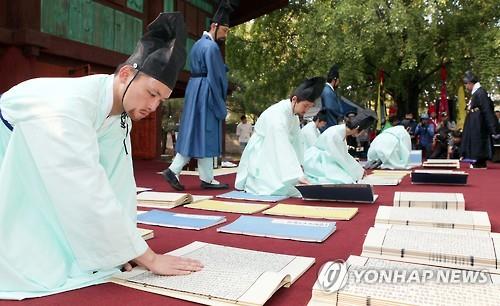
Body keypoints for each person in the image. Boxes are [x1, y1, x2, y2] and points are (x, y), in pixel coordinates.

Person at [0, 13, 203, 300]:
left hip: (48, 157)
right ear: (125, 75)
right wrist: (150, 259)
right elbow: (85, 190)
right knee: (38, 258)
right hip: (8, 147)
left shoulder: (120, 114)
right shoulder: (69, 109)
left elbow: (117, 182)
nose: (154, 106)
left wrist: (124, 247)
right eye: (151, 93)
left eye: (161, 100)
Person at [162, 0, 238, 190]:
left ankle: (203, 177)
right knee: (207, 132)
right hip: (206, 92)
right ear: (215, 26)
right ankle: (179, 171)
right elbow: (216, 76)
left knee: (195, 132)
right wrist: (220, 102)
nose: (225, 35)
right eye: (225, 30)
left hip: (195, 89)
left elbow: (205, 68)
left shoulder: (198, 44)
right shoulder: (212, 48)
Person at [235, 77, 325, 196]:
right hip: (262, 151)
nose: (307, 109)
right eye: (305, 105)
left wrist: (300, 165)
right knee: (271, 187)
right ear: (294, 99)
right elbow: (282, 144)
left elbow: (297, 142)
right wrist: (296, 174)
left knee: (291, 186)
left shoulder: (294, 116)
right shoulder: (277, 115)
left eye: (310, 106)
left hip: (276, 150)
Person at [303, 110, 376, 184]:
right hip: (317, 162)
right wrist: (359, 171)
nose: (362, 133)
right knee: (345, 180)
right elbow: (340, 157)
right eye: (363, 130)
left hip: (326, 159)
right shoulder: (336, 134)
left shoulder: (340, 131)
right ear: (357, 128)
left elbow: (343, 155)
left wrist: (359, 170)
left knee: (347, 177)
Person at [460, 71, 499, 168]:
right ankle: (475, 160)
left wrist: (493, 128)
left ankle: (479, 162)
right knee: (473, 141)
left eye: (466, 84)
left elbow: (487, 110)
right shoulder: (476, 93)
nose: (466, 87)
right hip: (474, 122)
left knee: (478, 141)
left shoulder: (480, 93)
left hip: (479, 124)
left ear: (470, 83)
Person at [321, 64, 344, 130]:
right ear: (334, 80)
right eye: (338, 81)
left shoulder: (326, 90)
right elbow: (330, 106)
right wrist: (340, 115)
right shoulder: (327, 91)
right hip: (329, 125)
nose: (338, 83)